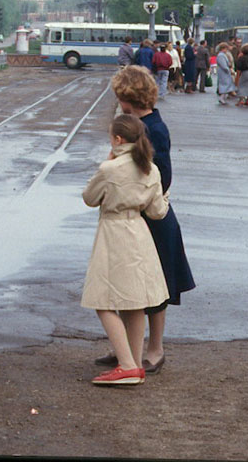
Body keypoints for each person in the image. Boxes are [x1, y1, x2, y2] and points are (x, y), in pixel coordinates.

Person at [102, 66, 195, 376]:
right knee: (131, 285)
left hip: (151, 218)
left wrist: (128, 191)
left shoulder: (152, 128)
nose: (116, 101)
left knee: (156, 287)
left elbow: (162, 177)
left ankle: (154, 350)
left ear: (128, 97)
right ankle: (128, 349)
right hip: (135, 218)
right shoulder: (138, 124)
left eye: (119, 96)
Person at [81, 113, 169, 386]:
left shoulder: (111, 169)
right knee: (134, 303)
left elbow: (89, 198)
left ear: (118, 140)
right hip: (139, 234)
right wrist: (165, 198)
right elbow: (156, 212)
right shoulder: (150, 169)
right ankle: (133, 361)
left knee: (103, 300)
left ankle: (128, 365)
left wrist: (106, 163)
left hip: (113, 234)